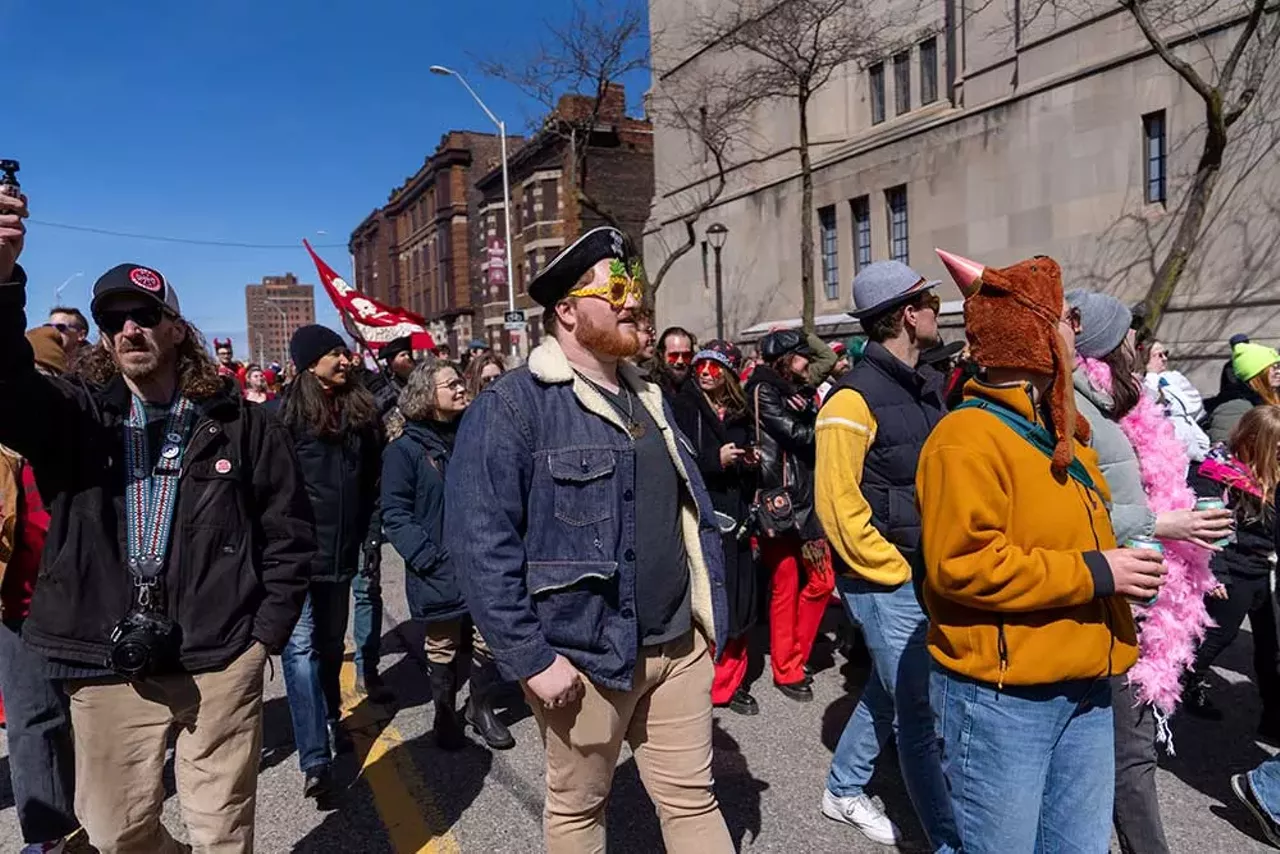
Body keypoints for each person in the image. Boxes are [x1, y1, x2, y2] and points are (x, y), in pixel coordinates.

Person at [0, 222, 314, 851]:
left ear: (176, 328)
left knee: (221, 830)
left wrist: (263, 638)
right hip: (106, 657)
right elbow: (5, 388)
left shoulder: (239, 425)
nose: (129, 330)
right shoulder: (79, 417)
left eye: (145, 315)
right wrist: (3, 276)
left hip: (220, 652)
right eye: (113, 320)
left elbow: (289, 533)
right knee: (117, 833)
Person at [445, 226, 733, 853]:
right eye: (617, 290)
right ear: (568, 312)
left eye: (637, 290)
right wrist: (530, 659)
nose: (635, 302)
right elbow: (479, 544)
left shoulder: (651, 397)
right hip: (586, 658)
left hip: (678, 646)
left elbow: (687, 513)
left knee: (693, 801)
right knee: (579, 810)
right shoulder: (513, 407)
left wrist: (706, 628)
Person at [921, 249, 1154, 853]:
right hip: (1004, 697)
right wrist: (1099, 572)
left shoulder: (1064, 432)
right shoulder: (965, 438)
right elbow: (962, 566)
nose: (1074, 338)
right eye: (1062, 323)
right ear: (1035, 339)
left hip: (1085, 683)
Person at [1068, 289, 1231, 854]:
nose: (1141, 344)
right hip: (1118, 593)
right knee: (1128, 755)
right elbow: (1079, 510)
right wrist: (1170, 525)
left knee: (1120, 751)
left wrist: (1191, 557)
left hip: (1142, 586)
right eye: (1132, 335)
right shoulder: (1079, 408)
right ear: (1110, 345)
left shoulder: (1120, 402)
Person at [815, 260, 957, 850]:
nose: (938, 311)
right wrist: (893, 570)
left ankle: (843, 788)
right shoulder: (851, 399)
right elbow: (836, 505)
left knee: (892, 688)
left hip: (919, 573)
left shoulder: (921, 384)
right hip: (886, 579)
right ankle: (950, 837)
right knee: (918, 712)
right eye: (930, 302)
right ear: (907, 314)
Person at [276, 324, 385, 803]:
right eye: (335, 354)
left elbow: (376, 482)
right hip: (293, 558)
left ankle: (330, 716)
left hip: (341, 557)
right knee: (299, 653)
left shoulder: (364, 416)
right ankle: (315, 760)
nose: (345, 361)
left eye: (346, 353)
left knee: (326, 646)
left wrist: (372, 534)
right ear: (309, 365)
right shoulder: (283, 421)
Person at [381, 358, 515, 751]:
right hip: (438, 564)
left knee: (489, 639)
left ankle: (479, 707)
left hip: (485, 559)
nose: (461, 388)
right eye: (450, 384)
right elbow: (395, 512)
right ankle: (444, 713)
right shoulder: (404, 450)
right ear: (427, 395)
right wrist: (427, 557)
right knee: (442, 643)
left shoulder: (477, 435)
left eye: (461, 382)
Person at [0, 328, 80, 854]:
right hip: (16, 607)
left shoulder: (77, 438)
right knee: (32, 721)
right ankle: (47, 835)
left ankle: (94, 817)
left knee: (92, 722)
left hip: (80, 605)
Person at [671, 342, 761, 716]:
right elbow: (679, 460)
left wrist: (750, 462)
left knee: (739, 599)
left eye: (714, 366)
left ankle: (732, 680)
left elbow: (748, 459)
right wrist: (715, 460)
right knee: (709, 600)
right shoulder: (683, 406)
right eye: (701, 364)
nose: (705, 372)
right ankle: (706, 682)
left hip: (737, 514)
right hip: (703, 514)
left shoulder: (740, 412)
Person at [745, 328, 834, 702]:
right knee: (785, 585)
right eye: (800, 356)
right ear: (786, 359)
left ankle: (795, 652)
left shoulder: (792, 391)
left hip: (804, 500)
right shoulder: (764, 390)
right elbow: (797, 435)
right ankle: (787, 667)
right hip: (780, 503)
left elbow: (825, 357)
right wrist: (824, 423)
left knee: (822, 580)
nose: (806, 363)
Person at [1186, 406, 1280, 734]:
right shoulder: (1215, 473)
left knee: (1273, 650)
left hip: (1266, 572)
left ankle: (1273, 718)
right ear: (1257, 441)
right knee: (1215, 639)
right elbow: (1207, 531)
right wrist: (1217, 573)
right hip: (1234, 573)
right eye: (1278, 447)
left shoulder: (1273, 475)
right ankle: (1179, 686)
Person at [1144, 340, 1211, 464]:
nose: (1164, 358)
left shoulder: (1170, 379)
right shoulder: (1144, 383)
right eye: (1159, 355)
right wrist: (1151, 374)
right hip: (1173, 459)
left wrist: (1203, 442)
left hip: (1195, 452)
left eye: (1166, 353)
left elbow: (1189, 410)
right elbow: (1148, 404)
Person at [1207, 341, 1280, 443]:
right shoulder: (1234, 408)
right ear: (1254, 374)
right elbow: (1225, 452)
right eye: (1271, 368)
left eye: (1278, 366)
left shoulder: (1274, 397)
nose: (1278, 371)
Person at [655, 325, 697, 399]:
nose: (680, 361)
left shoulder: (697, 387)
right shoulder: (651, 389)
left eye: (686, 356)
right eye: (674, 355)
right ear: (661, 355)